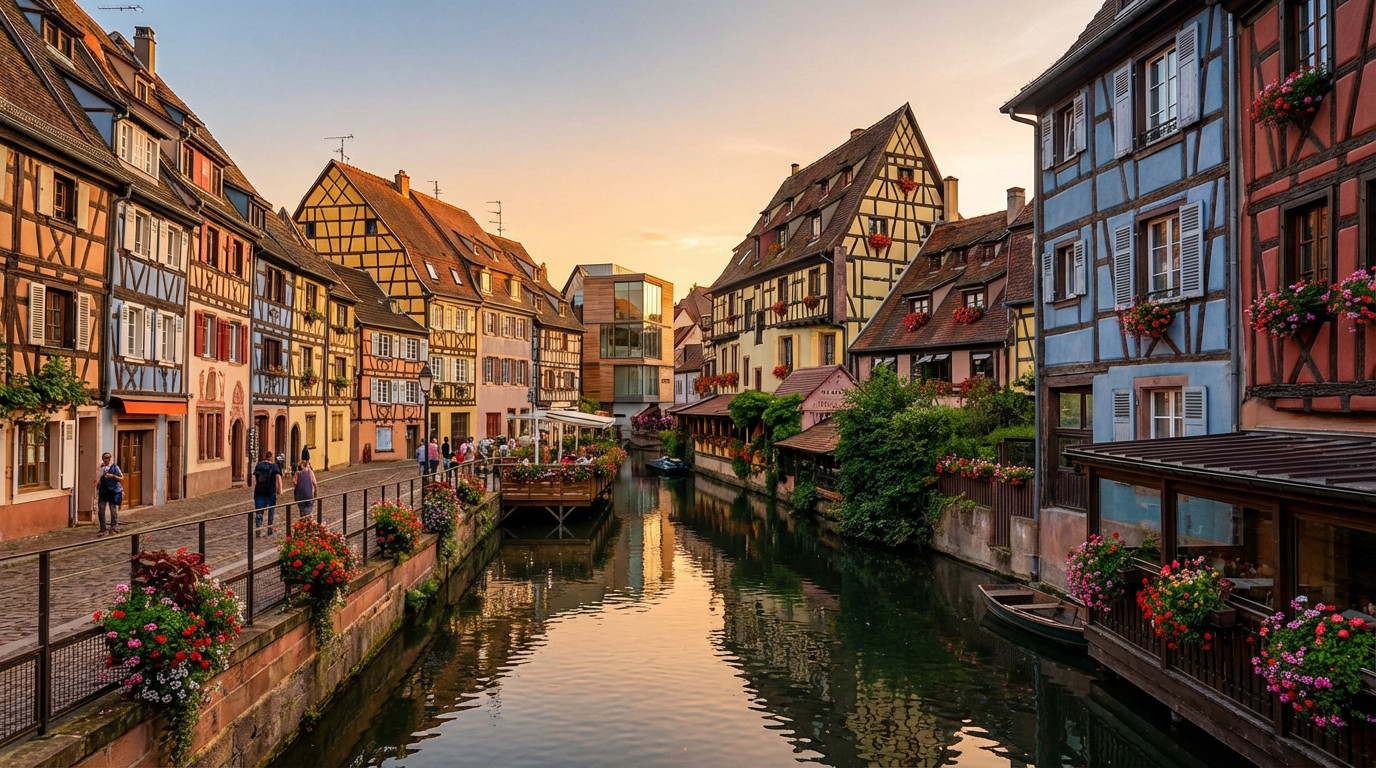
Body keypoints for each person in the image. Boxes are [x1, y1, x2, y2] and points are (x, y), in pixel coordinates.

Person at [252, 450, 283, 535]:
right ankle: (269, 528)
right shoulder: (274, 466)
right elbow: (278, 478)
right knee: (271, 510)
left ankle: (258, 528)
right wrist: (279, 490)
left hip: (259, 491)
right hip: (270, 491)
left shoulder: (258, 466)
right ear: (271, 458)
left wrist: (256, 486)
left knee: (259, 510)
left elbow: (254, 479)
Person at [95, 452, 123, 536]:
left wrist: (113, 476)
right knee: (101, 510)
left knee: (113, 509)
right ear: (102, 459)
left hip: (113, 491)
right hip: (103, 491)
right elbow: (96, 478)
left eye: (107, 457)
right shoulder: (100, 468)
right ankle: (103, 528)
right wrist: (96, 484)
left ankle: (114, 526)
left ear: (110, 458)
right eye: (104, 458)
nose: (106, 459)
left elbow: (122, 478)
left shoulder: (115, 467)